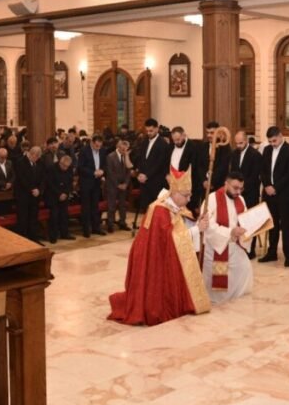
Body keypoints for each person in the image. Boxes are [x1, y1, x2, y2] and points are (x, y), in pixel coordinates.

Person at [108, 169, 210, 326]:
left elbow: (180, 229)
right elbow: (171, 238)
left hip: (163, 253)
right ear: (174, 193)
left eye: (190, 195)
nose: (189, 199)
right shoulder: (160, 211)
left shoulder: (175, 206)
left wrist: (197, 224)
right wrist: (197, 229)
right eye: (186, 195)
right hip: (154, 257)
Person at [201, 172, 254, 304]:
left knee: (245, 267)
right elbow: (207, 226)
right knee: (216, 285)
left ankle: (236, 299)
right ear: (226, 184)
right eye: (235, 188)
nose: (238, 192)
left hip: (235, 244)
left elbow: (245, 220)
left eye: (241, 188)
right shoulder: (212, 199)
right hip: (216, 246)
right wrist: (230, 232)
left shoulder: (241, 200)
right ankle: (218, 301)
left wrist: (249, 229)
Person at [259, 126, 289, 267]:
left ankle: (288, 255)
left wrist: (275, 187)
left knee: (286, 225)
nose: (272, 144)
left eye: (274, 141)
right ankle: (272, 252)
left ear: (281, 136)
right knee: (272, 225)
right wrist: (267, 185)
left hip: (285, 194)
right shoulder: (267, 150)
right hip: (269, 194)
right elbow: (263, 170)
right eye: (270, 141)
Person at [134, 118, 170, 228]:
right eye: (147, 131)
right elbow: (141, 159)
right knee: (146, 208)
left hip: (156, 182)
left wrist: (147, 175)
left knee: (156, 209)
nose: (149, 133)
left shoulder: (163, 144)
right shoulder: (144, 142)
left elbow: (160, 164)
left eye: (151, 131)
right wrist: (140, 173)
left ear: (157, 129)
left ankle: (155, 230)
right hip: (145, 182)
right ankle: (147, 229)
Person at [77, 134, 107, 237]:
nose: (98, 148)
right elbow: (80, 168)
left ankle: (96, 228)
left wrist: (102, 171)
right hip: (86, 182)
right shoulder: (84, 151)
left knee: (95, 206)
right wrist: (93, 172)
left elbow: (104, 164)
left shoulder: (102, 150)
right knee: (86, 207)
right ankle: (86, 230)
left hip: (96, 182)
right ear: (92, 143)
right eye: (96, 146)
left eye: (100, 146)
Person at [13, 145, 45, 243]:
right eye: (37, 157)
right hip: (23, 195)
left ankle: (34, 239)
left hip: (35, 196)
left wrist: (39, 190)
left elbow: (43, 178)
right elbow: (22, 179)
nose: (38, 159)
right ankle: (22, 241)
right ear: (32, 154)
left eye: (39, 157)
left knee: (33, 218)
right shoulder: (20, 162)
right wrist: (32, 189)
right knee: (23, 219)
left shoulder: (40, 162)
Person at [45, 153, 75, 243]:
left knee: (64, 215)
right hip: (53, 196)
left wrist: (65, 193)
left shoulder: (69, 168)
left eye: (67, 166)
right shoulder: (51, 168)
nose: (65, 168)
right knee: (54, 216)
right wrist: (59, 194)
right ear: (60, 162)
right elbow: (50, 183)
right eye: (64, 166)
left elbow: (70, 182)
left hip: (64, 195)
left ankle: (64, 233)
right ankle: (53, 236)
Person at [104, 139, 132, 233]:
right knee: (111, 206)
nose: (124, 150)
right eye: (123, 149)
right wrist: (117, 184)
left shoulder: (126, 156)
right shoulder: (110, 157)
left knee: (122, 206)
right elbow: (110, 173)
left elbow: (129, 171)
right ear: (118, 147)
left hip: (123, 185)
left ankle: (122, 223)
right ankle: (110, 224)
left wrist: (126, 183)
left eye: (126, 149)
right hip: (112, 185)